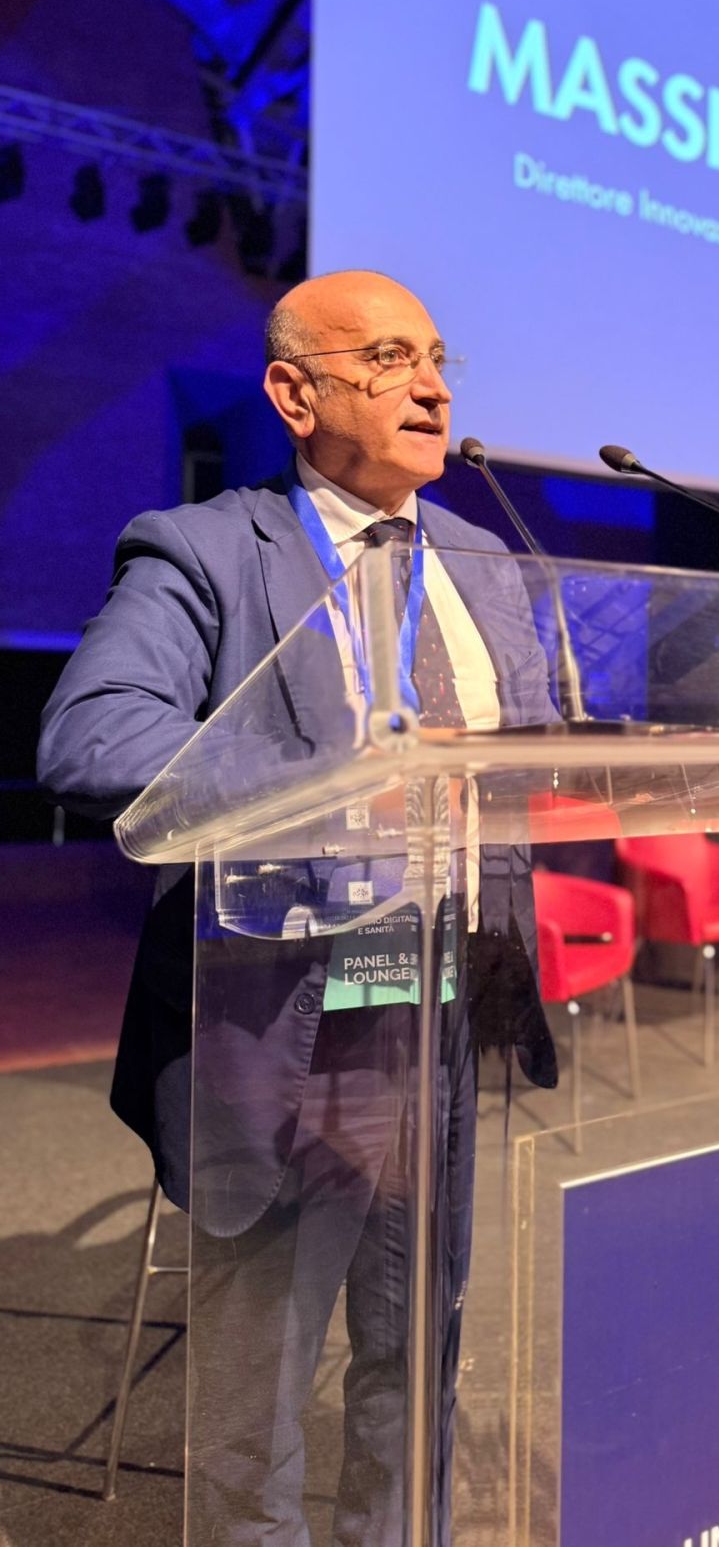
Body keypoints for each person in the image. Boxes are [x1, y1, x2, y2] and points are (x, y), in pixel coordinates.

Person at [38, 269, 557, 1545]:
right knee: (260, 1386)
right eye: (387, 359)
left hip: (444, 1006)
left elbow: (538, 751)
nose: (430, 387)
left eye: (435, 358)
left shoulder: (485, 561)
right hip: (284, 1013)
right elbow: (93, 735)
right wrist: (339, 781)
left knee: (416, 1343)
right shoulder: (206, 548)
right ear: (293, 393)